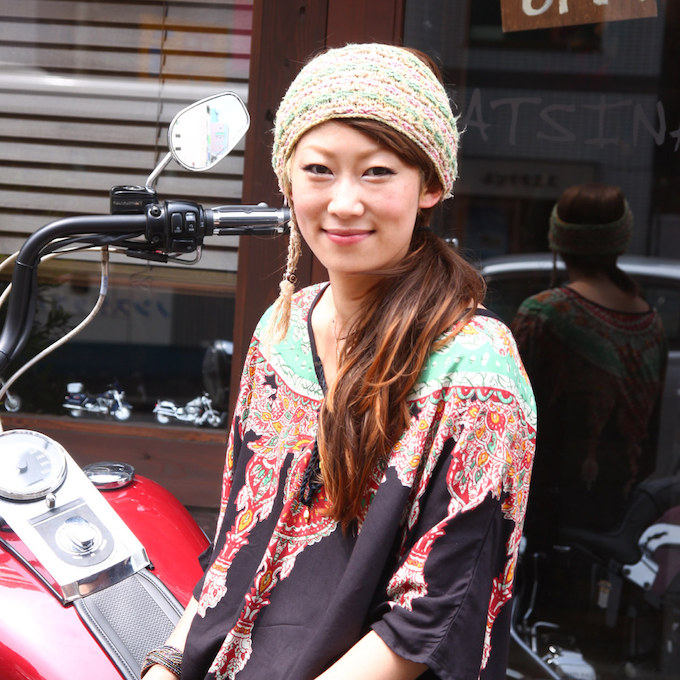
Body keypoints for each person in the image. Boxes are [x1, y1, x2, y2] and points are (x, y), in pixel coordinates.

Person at [142, 43, 536, 680]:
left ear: (431, 184)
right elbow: (235, 547)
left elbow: (429, 618)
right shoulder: (281, 329)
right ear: (287, 180)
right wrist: (164, 665)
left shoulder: (476, 368)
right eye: (319, 170)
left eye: (377, 172)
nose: (344, 202)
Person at [511, 183, 667, 547]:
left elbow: (512, 424)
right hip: (619, 516)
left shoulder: (545, 314)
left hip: (545, 518)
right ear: (622, 239)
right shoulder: (652, 323)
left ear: (558, 239)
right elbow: (651, 442)